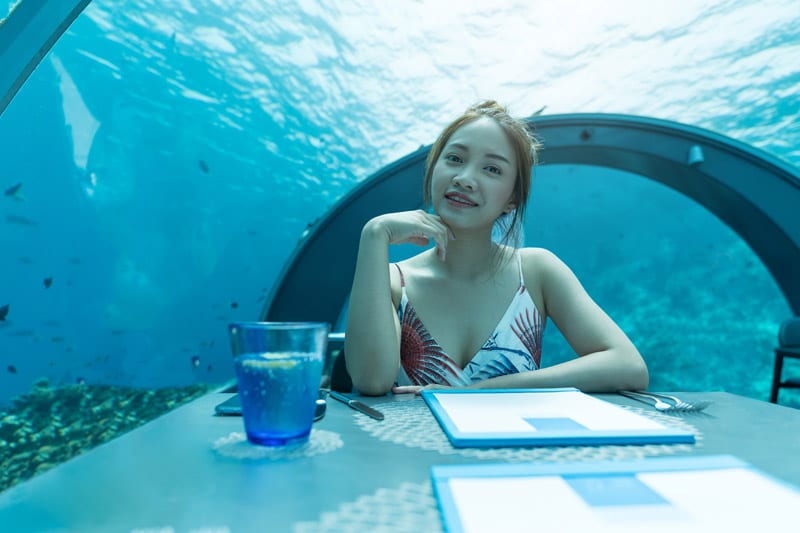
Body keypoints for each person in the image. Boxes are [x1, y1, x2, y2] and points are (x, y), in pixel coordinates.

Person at [344, 100, 648, 396]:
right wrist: (374, 234)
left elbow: (629, 366)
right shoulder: (392, 281)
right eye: (455, 159)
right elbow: (372, 381)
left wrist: (482, 391)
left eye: (491, 169)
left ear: (512, 199)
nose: (464, 179)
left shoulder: (536, 271)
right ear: (433, 169)